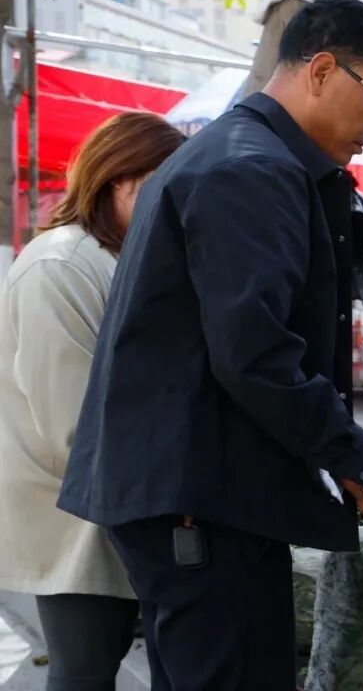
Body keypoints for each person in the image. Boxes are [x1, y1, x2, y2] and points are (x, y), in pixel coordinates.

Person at [57, 0, 363, 690]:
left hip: (191, 491)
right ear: (323, 70)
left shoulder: (235, 153)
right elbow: (255, 351)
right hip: (202, 499)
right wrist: (349, 449)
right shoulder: (250, 169)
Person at [0, 113, 185, 691]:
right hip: (77, 506)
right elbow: (72, 423)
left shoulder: (114, 255)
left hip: (114, 495)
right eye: (159, 183)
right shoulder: (61, 263)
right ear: (116, 178)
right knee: (83, 669)